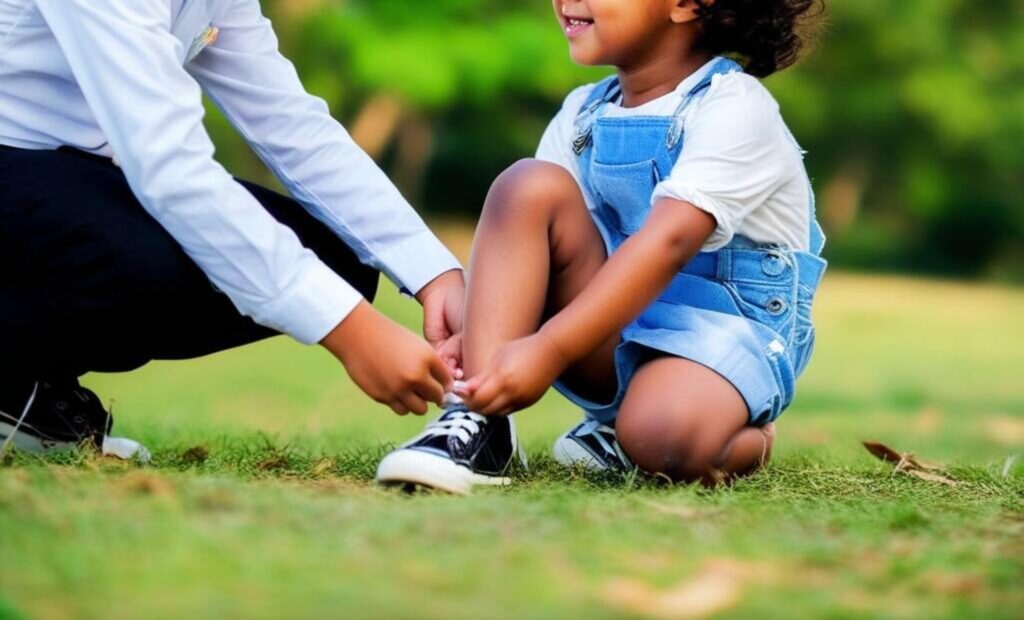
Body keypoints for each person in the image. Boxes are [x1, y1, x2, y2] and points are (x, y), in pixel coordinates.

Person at [377, 0, 827, 493]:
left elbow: (668, 241)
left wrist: (548, 347)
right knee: (527, 185)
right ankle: (481, 420)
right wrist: (484, 332)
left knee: (661, 439)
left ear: (684, 5)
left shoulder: (735, 107)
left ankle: (744, 436)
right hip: (611, 323)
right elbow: (534, 244)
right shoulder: (582, 113)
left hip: (724, 336)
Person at [0, 0, 465, 459]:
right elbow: (170, 168)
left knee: (338, 262)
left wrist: (432, 273)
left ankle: (25, 390)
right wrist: (351, 330)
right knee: (133, 261)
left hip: (71, 180)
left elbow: (291, 125)